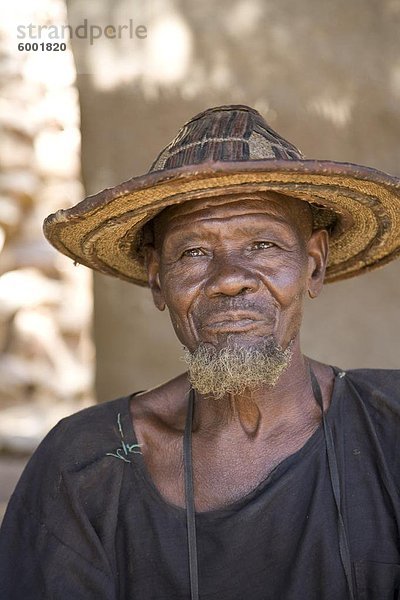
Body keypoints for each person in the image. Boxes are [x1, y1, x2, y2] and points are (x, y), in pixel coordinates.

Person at [0, 105, 399, 600]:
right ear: (157, 280)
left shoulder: (391, 429)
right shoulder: (86, 468)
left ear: (313, 266)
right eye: (194, 252)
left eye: (262, 245)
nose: (230, 278)